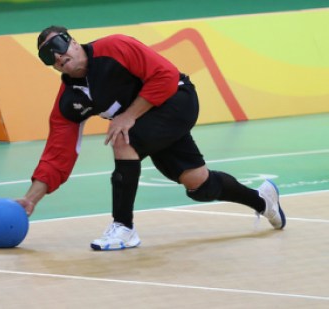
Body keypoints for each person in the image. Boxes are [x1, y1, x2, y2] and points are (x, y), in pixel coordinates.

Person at [16, 25, 286, 251]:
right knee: (198, 185)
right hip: (149, 121)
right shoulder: (69, 102)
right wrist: (31, 199)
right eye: (48, 56)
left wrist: (129, 116)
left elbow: (165, 75)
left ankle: (123, 227)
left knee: (123, 138)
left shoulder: (115, 48)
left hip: (176, 99)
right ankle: (263, 199)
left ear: (74, 42)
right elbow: (58, 154)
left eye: (60, 45)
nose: (58, 57)